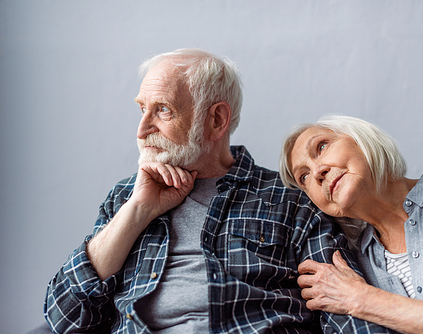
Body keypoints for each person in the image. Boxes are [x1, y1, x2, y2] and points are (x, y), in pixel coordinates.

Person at [43, 50, 392, 334]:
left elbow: (345, 313)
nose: (142, 129)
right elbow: (64, 319)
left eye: (162, 110)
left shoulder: (291, 198)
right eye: (141, 109)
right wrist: (137, 211)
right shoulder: (125, 198)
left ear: (216, 121)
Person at [279, 114, 423, 334]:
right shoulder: (354, 266)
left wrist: (361, 298)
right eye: (304, 177)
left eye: (322, 147)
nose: (317, 172)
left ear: (361, 137)